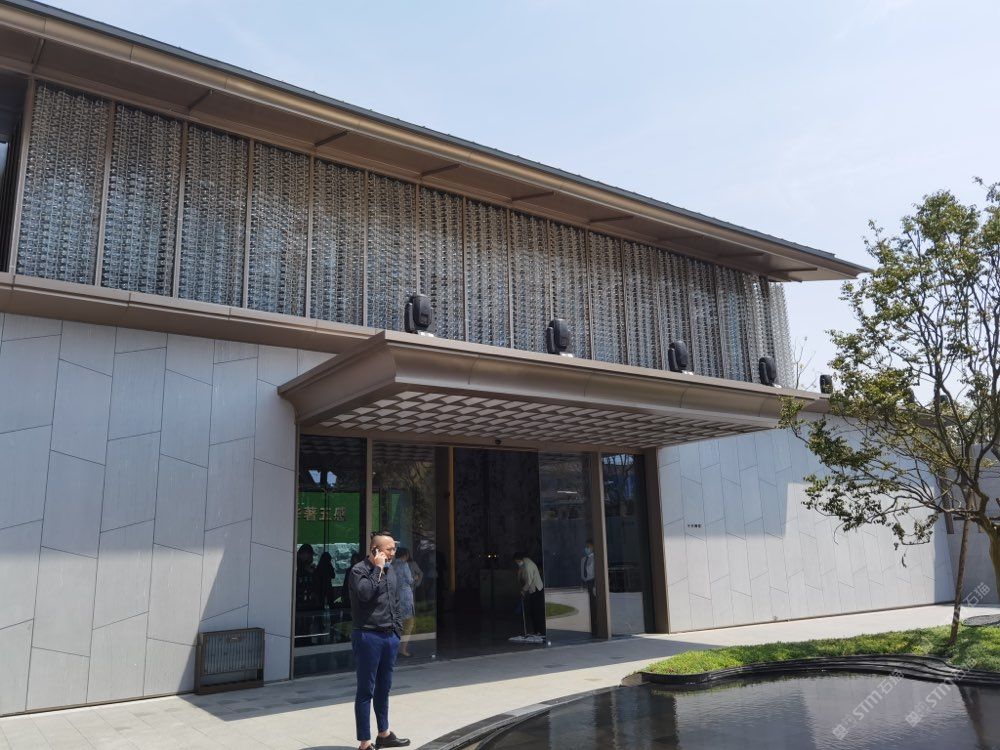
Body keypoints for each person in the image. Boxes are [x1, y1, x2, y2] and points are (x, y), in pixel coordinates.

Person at [348, 531, 410, 749]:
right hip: (368, 636)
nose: (393, 552)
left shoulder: (391, 571)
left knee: (384, 687)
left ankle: (384, 734)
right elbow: (365, 594)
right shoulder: (359, 570)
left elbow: (395, 602)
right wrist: (378, 568)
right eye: (389, 549)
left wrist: (397, 631)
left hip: (389, 636)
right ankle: (364, 742)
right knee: (366, 690)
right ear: (375, 550)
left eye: (394, 548)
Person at [514, 553, 545, 636]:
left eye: (517, 562)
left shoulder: (528, 566)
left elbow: (529, 581)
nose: (517, 563)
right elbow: (520, 573)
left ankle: (541, 631)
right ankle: (536, 631)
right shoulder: (523, 564)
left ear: (520, 559)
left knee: (537, 612)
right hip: (532, 590)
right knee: (533, 612)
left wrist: (523, 590)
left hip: (537, 590)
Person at [394, 547, 416, 657]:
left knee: (398, 623)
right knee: (409, 623)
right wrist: (415, 578)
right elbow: (409, 580)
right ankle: (403, 649)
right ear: (405, 555)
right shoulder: (404, 564)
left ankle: (395, 648)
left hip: (396, 596)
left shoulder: (393, 565)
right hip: (406, 596)